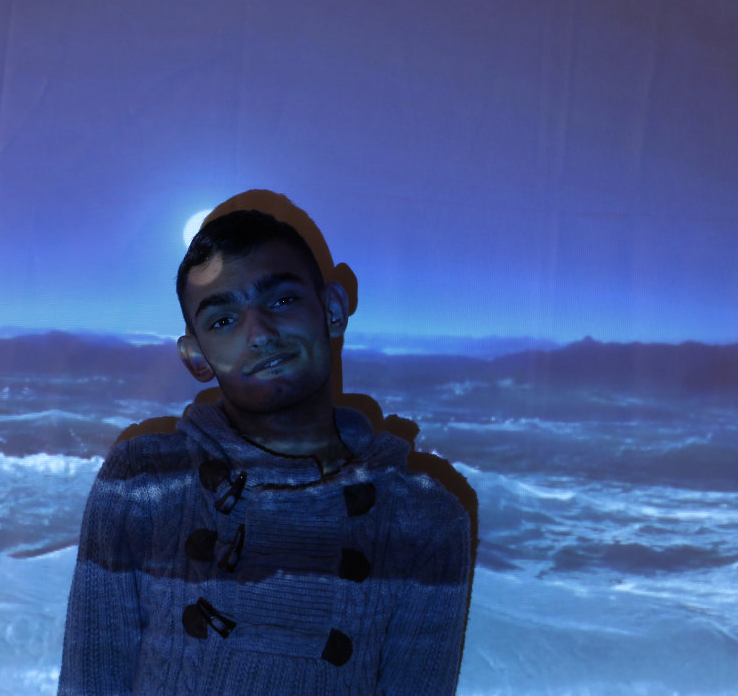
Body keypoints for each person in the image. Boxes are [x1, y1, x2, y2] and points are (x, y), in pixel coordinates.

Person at [60, 204, 472, 694]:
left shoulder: (426, 519)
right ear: (196, 357)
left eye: (281, 300)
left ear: (332, 309)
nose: (259, 334)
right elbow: (90, 683)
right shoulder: (142, 481)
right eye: (223, 320)